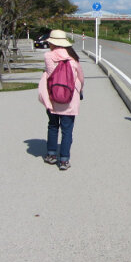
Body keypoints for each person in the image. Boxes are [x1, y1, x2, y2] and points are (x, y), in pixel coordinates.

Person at [38, 30, 84, 170]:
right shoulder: (73, 57)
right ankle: (64, 160)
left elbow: (50, 73)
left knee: (53, 125)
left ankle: (51, 155)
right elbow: (80, 77)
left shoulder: (48, 56)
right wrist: (80, 90)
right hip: (70, 98)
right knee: (67, 130)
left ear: (51, 42)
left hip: (52, 96)